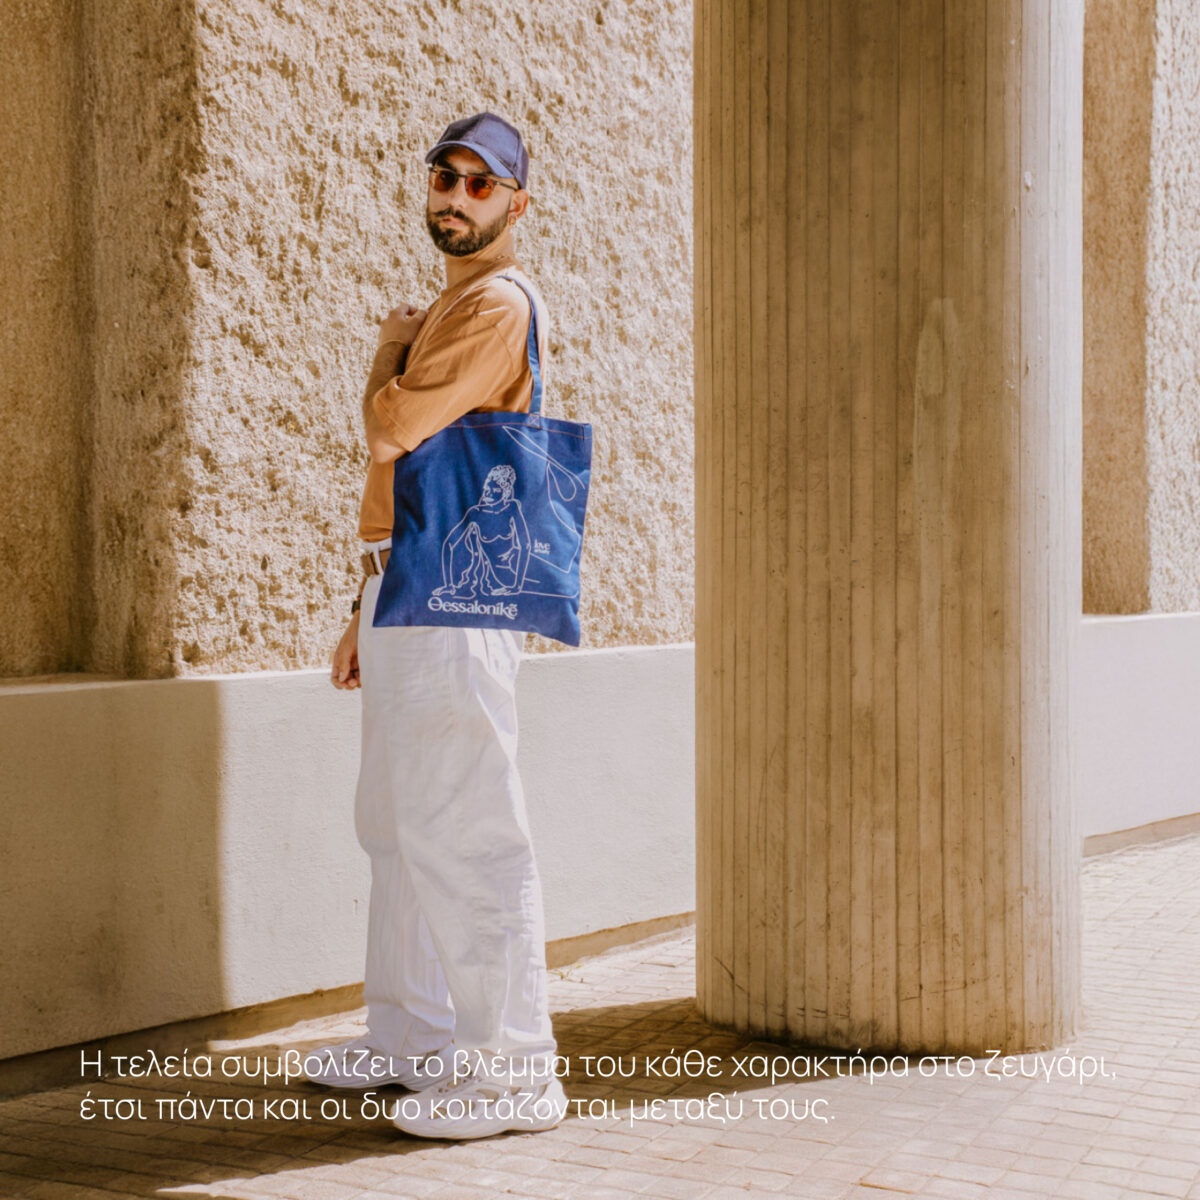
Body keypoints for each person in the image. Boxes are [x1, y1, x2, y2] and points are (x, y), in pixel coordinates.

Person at [306, 112, 567, 1140]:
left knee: (466, 826)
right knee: (398, 827)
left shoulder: (492, 305)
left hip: (454, 594)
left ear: (514, 205)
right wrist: (361, 607)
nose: (455, 198)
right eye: (443, 178)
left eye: (480, 185)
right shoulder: (460, 307)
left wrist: (389, 348)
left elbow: (392, 429)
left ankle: (514, 1074)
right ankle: (409, 1036)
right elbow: (404, 476)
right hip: (405, 585)